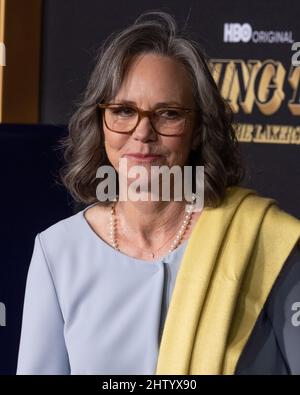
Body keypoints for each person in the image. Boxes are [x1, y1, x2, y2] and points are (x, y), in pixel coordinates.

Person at [17, 11, 300, 375]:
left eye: (167, 114)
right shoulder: (57, 253)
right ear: (100, 123)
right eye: (123, 111)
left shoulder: (265, 241)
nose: (142, 132)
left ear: (198, 128)